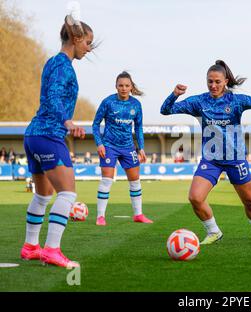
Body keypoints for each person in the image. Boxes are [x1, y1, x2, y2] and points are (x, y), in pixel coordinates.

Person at [161, 60, 251, 244]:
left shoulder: (236, 101)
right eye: (210, 81)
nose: (213, 85)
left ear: (225, 81)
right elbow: (165, 110)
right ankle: (214, 232)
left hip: (236, 159)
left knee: (249, 201)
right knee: (195, 198)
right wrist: (174, 94)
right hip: (211, 159)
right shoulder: (198, 102)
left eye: (217, 81)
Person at [20, 15, 94, 268]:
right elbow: (52, 95)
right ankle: (52, 250)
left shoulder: (53, 61)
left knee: (43, 195)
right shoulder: (64, 66)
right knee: (67, 192)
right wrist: (67, 121)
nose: (89, 47)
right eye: (88, 42)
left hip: (33, 135)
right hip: (49, 134)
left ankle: (31, 246)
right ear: (76, 39)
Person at [93, 71, 153, 226]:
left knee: (135, 181)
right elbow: (95, 124)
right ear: (116, 86)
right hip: (109, 146)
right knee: (107, 180)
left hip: (128, 147)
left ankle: (138, 215)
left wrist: (141, 148)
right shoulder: (108, 102)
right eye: (121, 85)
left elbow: (138, 128)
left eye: (127, 85)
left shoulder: (136, 105)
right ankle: (100, 217)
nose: (124, 88)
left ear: (131, 87)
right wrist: (99, 143)